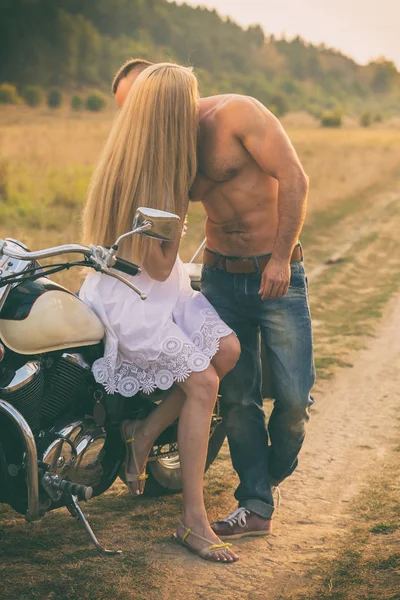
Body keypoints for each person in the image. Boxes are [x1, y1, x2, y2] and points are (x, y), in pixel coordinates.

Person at [112, 59, 315, 540]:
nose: (138, 119)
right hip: (222, 277)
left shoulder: (236, 114)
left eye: (140, 103)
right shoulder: (169, 151)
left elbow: (295, 179)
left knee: (292, 401)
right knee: (239, 398)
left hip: (276, 274)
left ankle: (266, 480)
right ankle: (256, 504)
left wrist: (281, 259)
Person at [80, 63, 241, 563]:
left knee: (228, 351)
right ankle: (192, 521)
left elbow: (163, 270)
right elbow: (158, 259)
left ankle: (143, 432)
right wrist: (182, 209)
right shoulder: (156, 176)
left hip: (161, 289)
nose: (197, 116)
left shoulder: (153, 161)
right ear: (173, 117)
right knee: (204, 384)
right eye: (188, 106)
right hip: (129, 297)